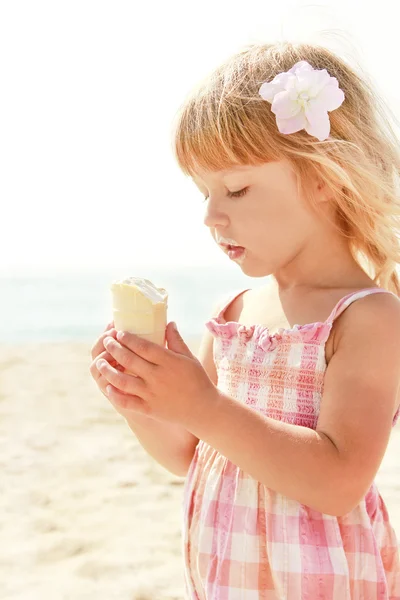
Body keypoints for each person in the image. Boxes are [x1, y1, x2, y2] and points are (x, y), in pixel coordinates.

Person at [89, 41, 400, 599]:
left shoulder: (367, 316)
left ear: (323, 177)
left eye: (235, 188)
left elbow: (337, 482)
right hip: (226, 574)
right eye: (204, 192)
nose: (211, 215)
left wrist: (202, 404)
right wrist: (142, 400)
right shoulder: (233, 312)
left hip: (317, 581)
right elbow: (189, 453)